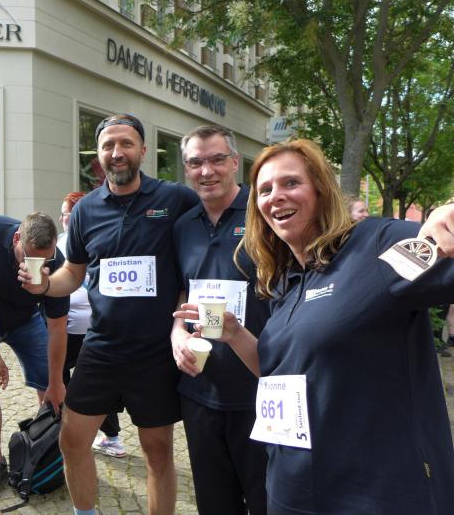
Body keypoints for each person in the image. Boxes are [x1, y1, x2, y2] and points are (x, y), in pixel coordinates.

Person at [174, 139, 454, 514]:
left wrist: (447, 214)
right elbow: (277, 373)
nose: (276, 196)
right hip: (292, 490)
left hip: (371, 494)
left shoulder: (376, 247)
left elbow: (439, 245)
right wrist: (235, 334)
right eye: (265, 190)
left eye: (291, 182)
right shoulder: (285, 281)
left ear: (321, 190)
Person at [21, 113, 199, 515]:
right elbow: (73, 274)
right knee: (72, 441)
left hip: (156, 350)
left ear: (143, 150)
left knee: (157, 451)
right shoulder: (86, 210)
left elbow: (200, 251)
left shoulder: (175, 199)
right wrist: (45, 285)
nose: (117, 152)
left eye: (126, 144)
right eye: (108, 146)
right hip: (102, 346)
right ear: (98, 154)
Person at [170, 125, 267, 514]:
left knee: (266, 499)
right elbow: (184, 289)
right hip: (201, 389)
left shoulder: (264, 214)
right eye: (195, 163)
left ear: (235, 162)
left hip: (259, 388)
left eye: (216, 160)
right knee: (214, 502)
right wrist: (177, 333)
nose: (206, 171)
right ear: (186, 169)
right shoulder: (183, 226)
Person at [0, 212, 69, 494]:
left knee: (52, 383)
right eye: (30, 257)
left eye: (46, 259)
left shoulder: (56, 262)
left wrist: (56, 381)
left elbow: (57, 328)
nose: (38, 264)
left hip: (25, 319)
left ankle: (46, 451)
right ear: (17, 239)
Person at [57, 192, 126, 458]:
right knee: (76, 378)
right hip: (75, 325)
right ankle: (103, 435)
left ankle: (103, 435)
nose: (64, 219)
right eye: (63, 214)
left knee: (89, 381)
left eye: (68, 214)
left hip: (87, 327)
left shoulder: (84, 238)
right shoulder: (63, 241)